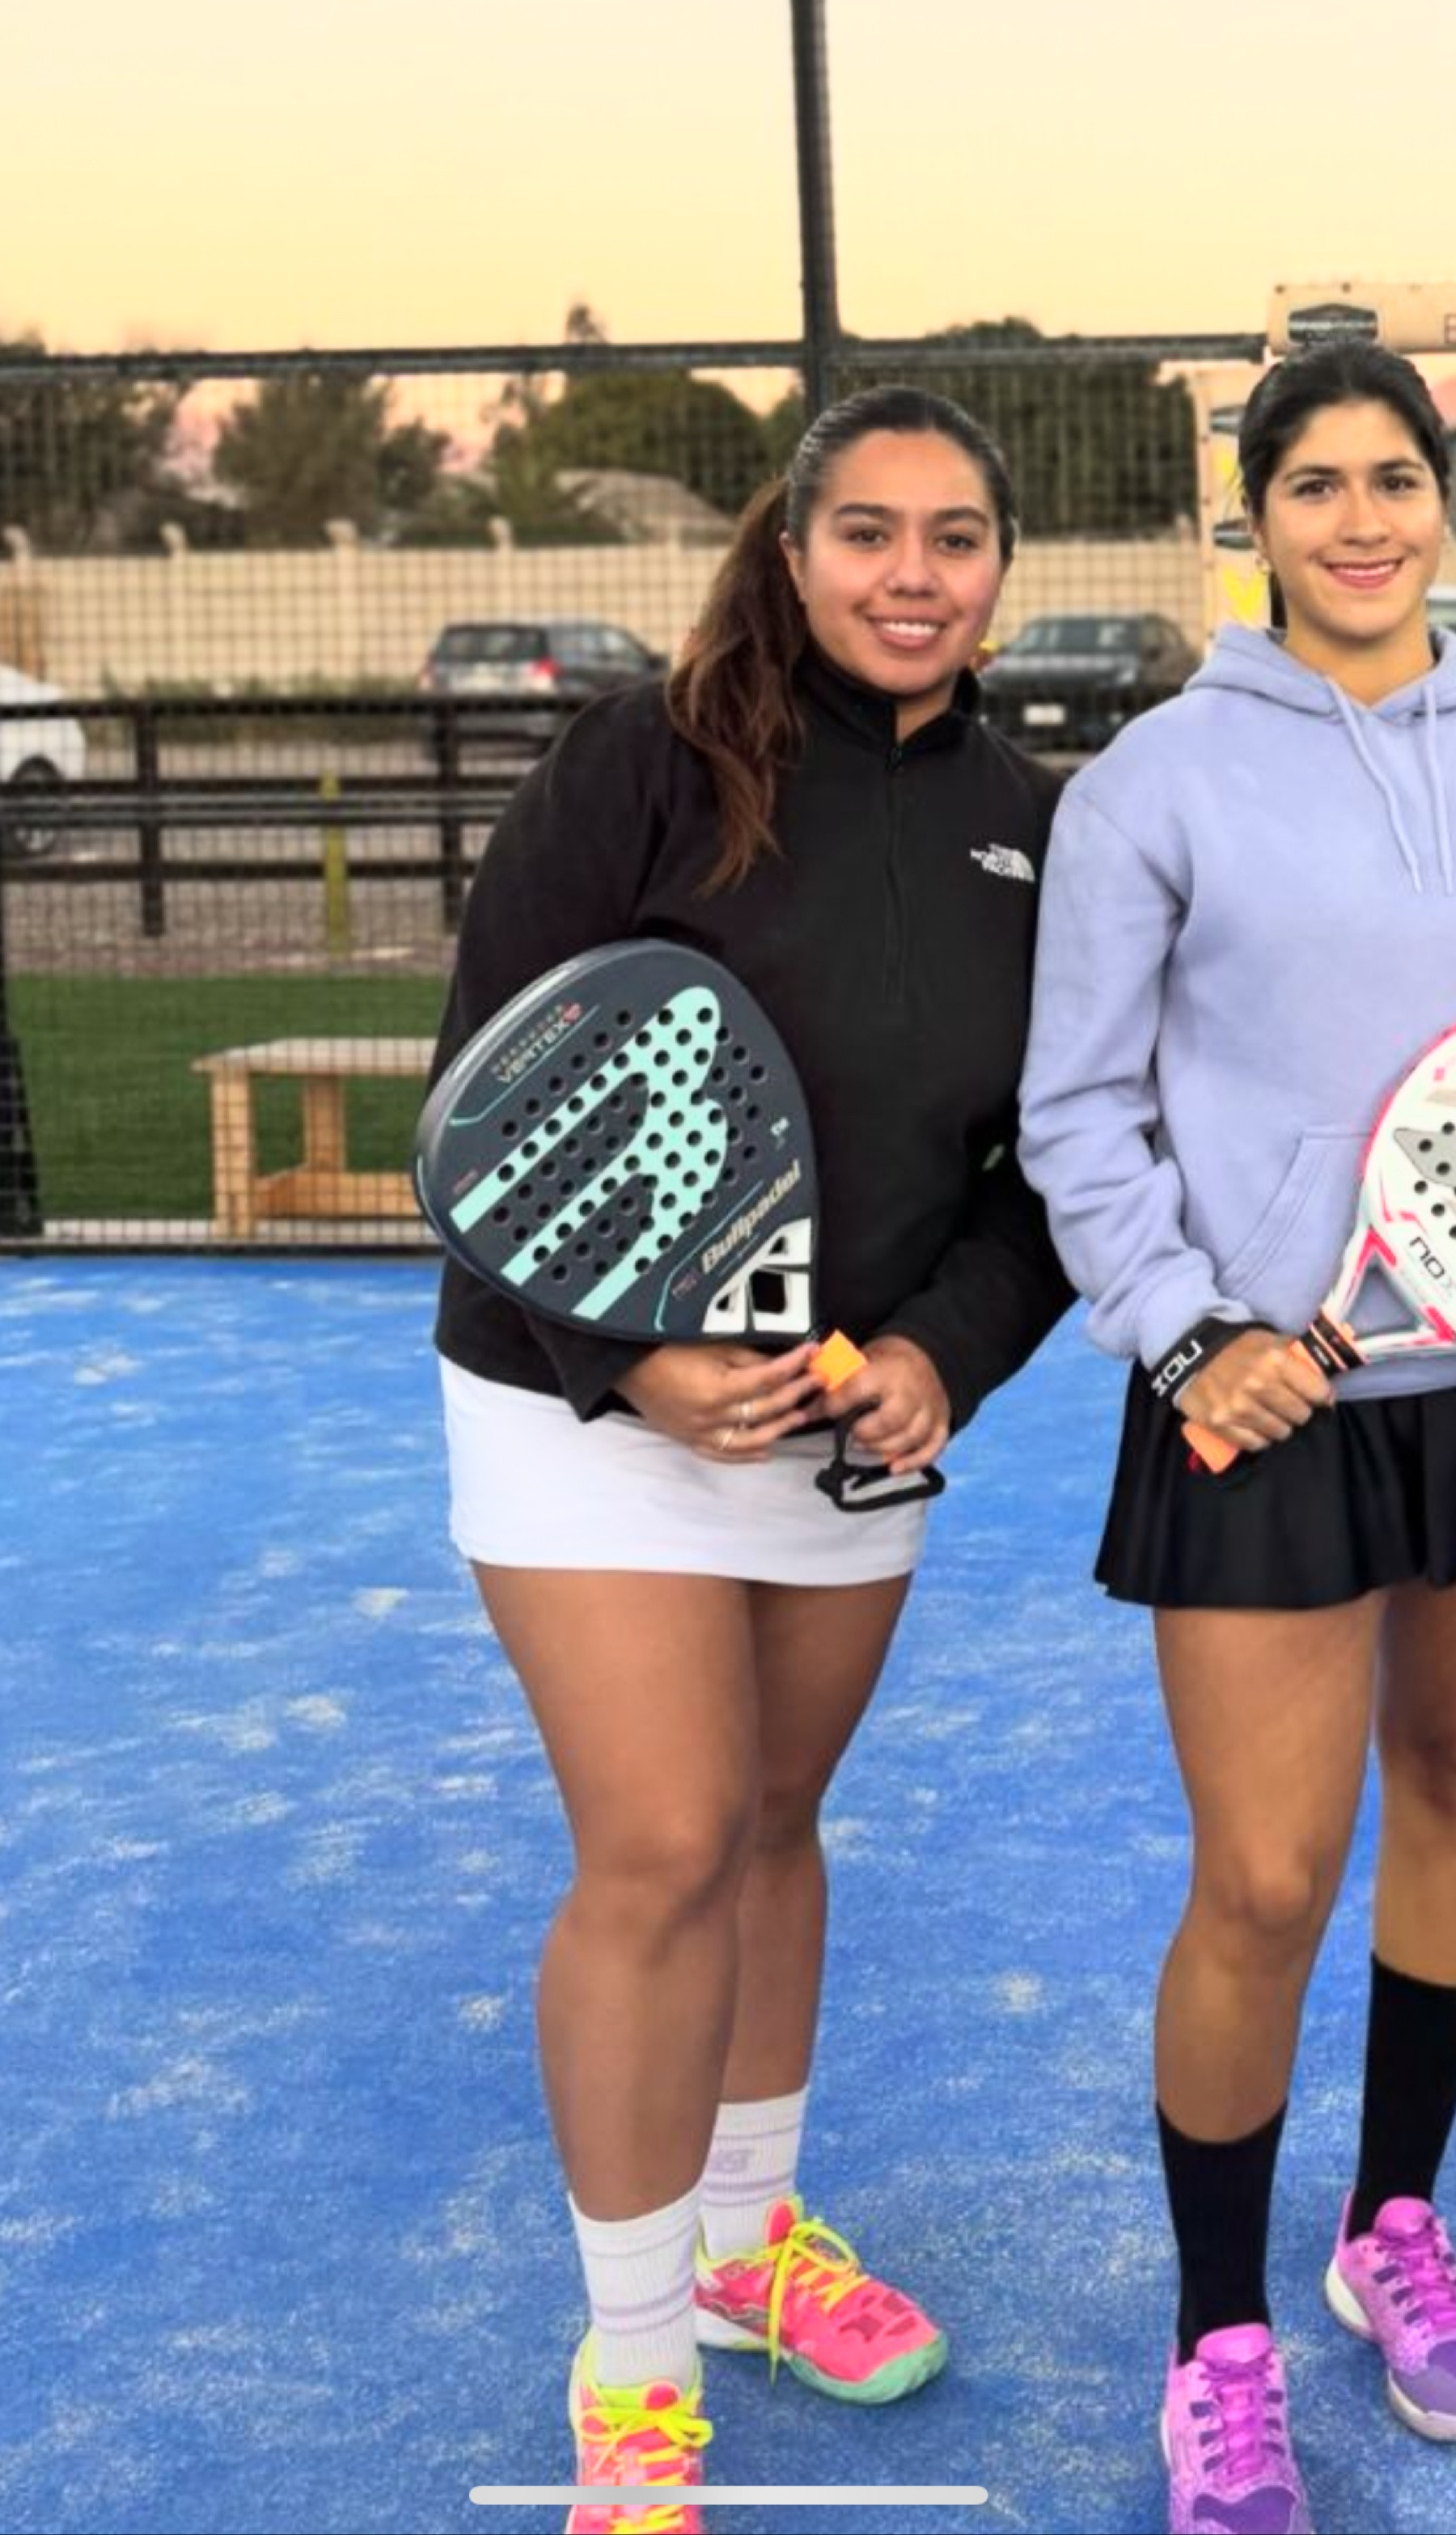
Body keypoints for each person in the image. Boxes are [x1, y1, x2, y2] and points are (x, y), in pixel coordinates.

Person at [429, 384, 1071, 2533]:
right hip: (578, 1407)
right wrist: (631, 1361)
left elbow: (1044, 1170)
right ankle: (631, 2370)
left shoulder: (1029, 824)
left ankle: (745, 2245)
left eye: (955, 536)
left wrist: (944, 1356)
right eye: (868, 531)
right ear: (792, 554)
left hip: (843, 1425)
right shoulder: (640, 761)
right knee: (670, 1841)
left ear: (1000, 568)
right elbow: (489, 1089)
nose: (914, 573)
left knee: (780, 1823)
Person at [1018, 341, 1456, 2535]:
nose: (1362, 521)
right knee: (1268, 1880)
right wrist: (1190, 1335)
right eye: (1317, 486)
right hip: (1263, 1397)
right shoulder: (1155, 784)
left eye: (1397, 479)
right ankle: (1218, 2344)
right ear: (1254, 519)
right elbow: (1076, 1112)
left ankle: (1397, 2233)